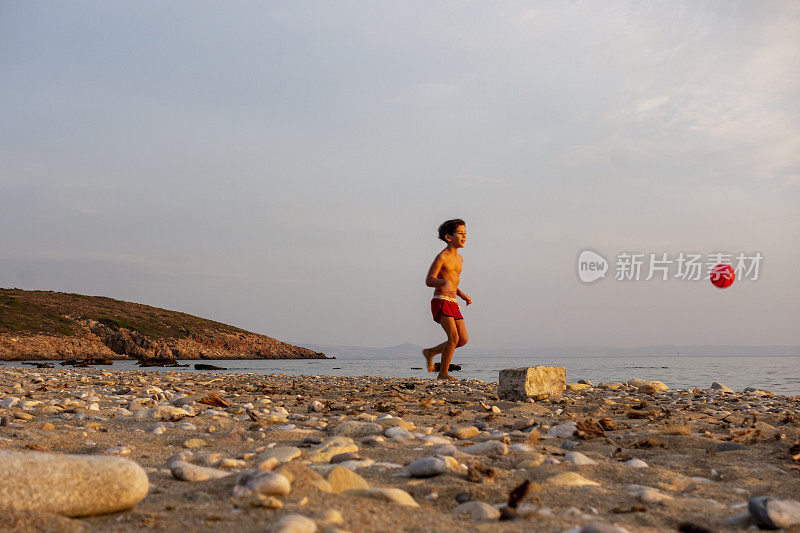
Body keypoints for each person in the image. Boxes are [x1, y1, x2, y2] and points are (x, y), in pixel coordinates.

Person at [422, 218, 471, 380]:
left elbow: (452, 282)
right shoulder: (442, 257)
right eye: (460, 233)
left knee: (462, 340)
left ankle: (430, 352)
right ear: (448, 237)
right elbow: (429, 280)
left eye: (466, 233)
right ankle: (443, 373)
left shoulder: (460, 259)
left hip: (453, 302)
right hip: (441, 300)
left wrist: (462, 294)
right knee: (453, 337)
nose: (464, 236)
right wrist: (442, 282)